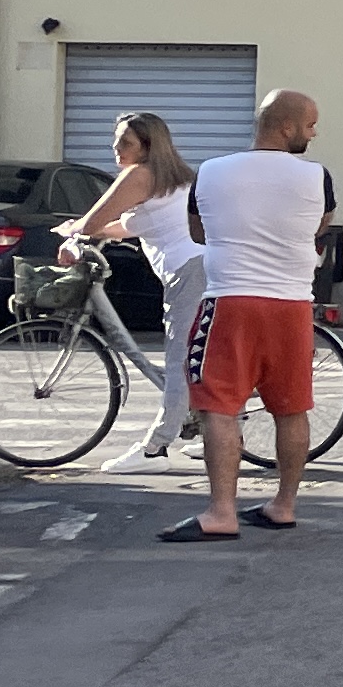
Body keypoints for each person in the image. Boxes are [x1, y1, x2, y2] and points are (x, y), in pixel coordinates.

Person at [168, 89, 328, 542]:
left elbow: (198, 230)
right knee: (292, 406)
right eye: (310, 124)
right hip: (293, 307)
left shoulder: (212, 172)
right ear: (286, 127)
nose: (314, 133)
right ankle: (284, 505)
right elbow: (320, 224)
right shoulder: (318, 177)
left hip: (231, 301)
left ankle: (221, 512)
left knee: (219, 405)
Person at [72, 111, 202, 464]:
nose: (116, 148)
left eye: (125, 142)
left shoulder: (140, 174)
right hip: (206, 266)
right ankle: (223, 430)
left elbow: (95, 220)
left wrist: (73, 234)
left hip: (189, 273)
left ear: (148, 147)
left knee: (178, 361)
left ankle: (155, 448)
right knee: (205, 358)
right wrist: (85, 229)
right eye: (115, 140)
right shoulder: (174, 179)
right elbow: (127, 226)